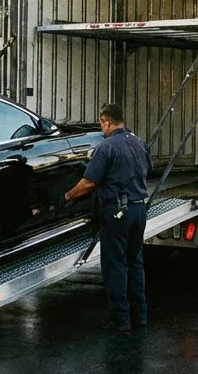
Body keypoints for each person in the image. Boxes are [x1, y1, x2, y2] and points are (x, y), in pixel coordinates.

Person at [64, 104, 151, 332]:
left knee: (115, 266)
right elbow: (147, 170)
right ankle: (140, 316)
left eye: (101, 124)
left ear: (106, 122)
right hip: (138, 210)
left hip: (117, 212)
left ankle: (120, 320)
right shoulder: (139, 143)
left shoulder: (107, 147)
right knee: (135, 262)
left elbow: (89, 183)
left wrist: (68, 195)